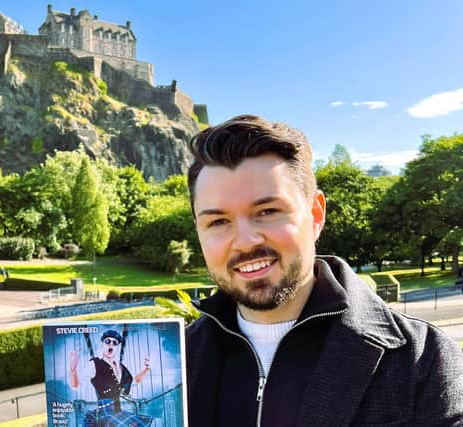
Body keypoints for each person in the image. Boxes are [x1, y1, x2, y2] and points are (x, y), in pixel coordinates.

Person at [185, 114, 463, 427]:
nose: (245, 241)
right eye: (219, 222)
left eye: (267, 211)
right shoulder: (172, 365)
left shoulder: (423, 360)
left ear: (315, 214)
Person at [70, 329, 152, 427]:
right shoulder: (94, 364)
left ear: (118, 347)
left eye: (115, 343)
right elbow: (75, 385)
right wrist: (73, 370)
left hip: (118, 413)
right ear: (102, 345)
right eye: (107, 341)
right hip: (104, 414)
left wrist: (147, 369)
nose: (111, 344)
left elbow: (134, 381)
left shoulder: (122, 368)